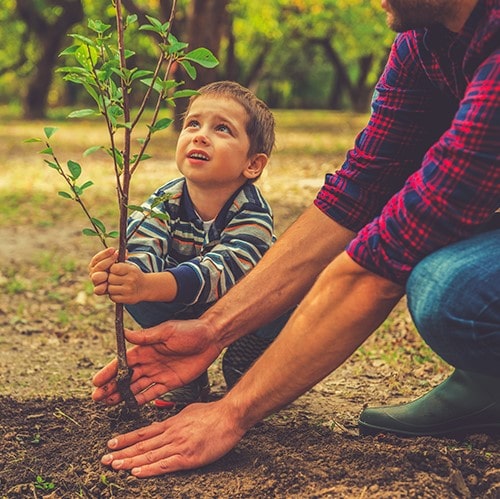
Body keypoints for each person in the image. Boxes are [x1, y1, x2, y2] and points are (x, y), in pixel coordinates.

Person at [91, 0, 500, 478]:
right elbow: (359, 192)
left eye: (221, 129)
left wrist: (233, 410)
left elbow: (383, 261)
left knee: (449, 291)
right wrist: (211, 330)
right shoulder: (421, 44)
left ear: (254, 162)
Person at [89, 80, 283, 409]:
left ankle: (250, 358)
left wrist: (150, 284)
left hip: (243, 311)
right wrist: (126, 274)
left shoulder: (253, 212)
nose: (200, 135)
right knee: (139, 294)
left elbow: (222, 272)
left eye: (222, 129)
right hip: (185, 305)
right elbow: (143, 243)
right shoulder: (167, 198)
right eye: (193, 123)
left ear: (253, 164)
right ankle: (187, 373)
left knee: (286, 299)